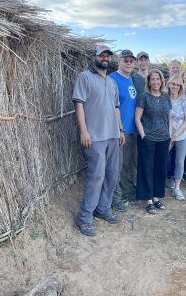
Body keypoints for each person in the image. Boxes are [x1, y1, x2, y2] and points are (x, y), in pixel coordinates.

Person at [72, 44, 125, 236]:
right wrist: (84, 131)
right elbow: (79, 104)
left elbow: (116, 108)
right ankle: (84, 217)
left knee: (112, 175)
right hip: (94, 137)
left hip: (112, 135)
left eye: (108, 55)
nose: (105, 58)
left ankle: (103, 209)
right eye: (102, 54)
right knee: (96, 176)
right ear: (94, 56)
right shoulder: (84, 77)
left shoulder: (111, 82)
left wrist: (120, 129)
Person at [135, 69, 172, 214]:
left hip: (163, 138)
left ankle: (156, 197)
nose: (155, 82)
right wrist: (143, 135)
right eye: (153, 79)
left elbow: (169, 117)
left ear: (161, 81)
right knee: (147, 168)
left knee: (159, 169)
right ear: (149, 82)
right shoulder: (144, 96)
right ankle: (148, 199)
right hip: (148, 138)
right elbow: (137, 118)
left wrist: (169, 135)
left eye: (158, 79)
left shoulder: (165, 97)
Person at [110, 50, 137, 212]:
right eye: (125, 60)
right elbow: (112, 106)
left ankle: (126, 192)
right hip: (120, 130)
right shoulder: (113, 79)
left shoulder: (131, 79)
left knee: (127, 164)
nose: (129, 63)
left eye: (131, 61)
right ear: (119, 61)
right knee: (117, 167)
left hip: (132, 129)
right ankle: (116, 199)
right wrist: (119, 129)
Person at [168, 75, 186, 200]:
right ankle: (161, 182)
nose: (175, 87)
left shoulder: (185, 100)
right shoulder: (164, 99)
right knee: (162, 159)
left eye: (177, 85)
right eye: (173, 84)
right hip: (167, 134)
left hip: (182, 134)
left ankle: (177, 188)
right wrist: (170, 134)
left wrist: (176, 134)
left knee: (179, 161)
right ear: (169, 84)